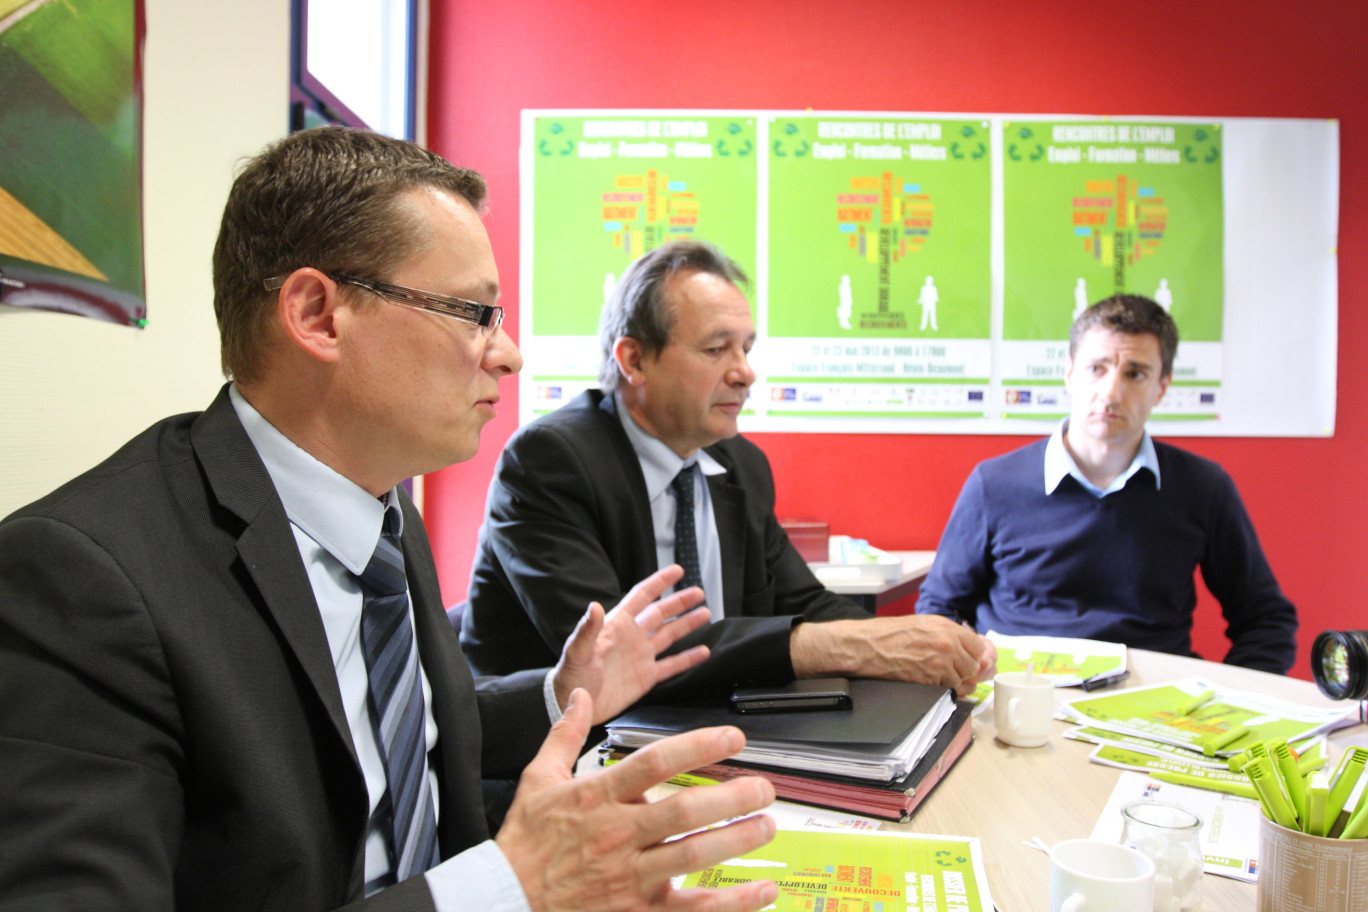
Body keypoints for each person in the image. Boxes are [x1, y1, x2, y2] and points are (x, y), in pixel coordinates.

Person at [0, 128, 782, 912]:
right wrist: (507, 888)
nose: (508, 355)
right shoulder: (82, 580)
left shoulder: (380, 506)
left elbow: (392, 732)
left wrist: (559, 691)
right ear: (318, 315)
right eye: (474, 312)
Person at [462, 239, 993, 702]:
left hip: (714, 724)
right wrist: (844, 646)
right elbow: (620, 657)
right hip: (568, 756)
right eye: (717, 349)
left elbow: (803, 601)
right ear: (634, 360)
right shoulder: (551, 463)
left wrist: (917, 640)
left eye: (746, 348)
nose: (745, 373)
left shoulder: (741, 464)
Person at [916, 294, 1297, 674]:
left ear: (1162, 387)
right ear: (1069, 372)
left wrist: (1228, 705)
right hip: (1019, 700)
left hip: (1153, 710)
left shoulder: (1204, 488)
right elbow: (939, 611)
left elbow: (1267, 622)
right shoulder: (993, 485)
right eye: (1097, 368)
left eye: (1135, 374)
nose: (1111, 393)